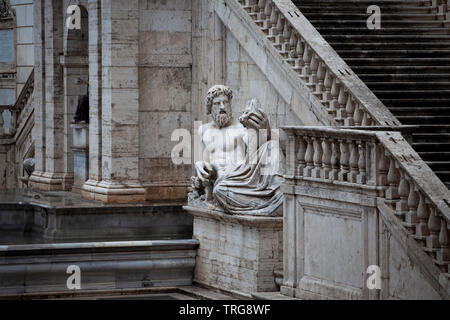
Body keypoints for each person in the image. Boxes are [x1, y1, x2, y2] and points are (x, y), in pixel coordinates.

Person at [191, 85, 284, 216]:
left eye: (225, 102)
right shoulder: (203, 130)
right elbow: (203, 164)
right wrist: (199, 164)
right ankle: (269, 205)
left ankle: (279, 194)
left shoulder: (241, 127)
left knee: (272, 146)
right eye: (217, 103)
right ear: (210, 107)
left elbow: (257, 149)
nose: (222, 107)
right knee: (220, 191)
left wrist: (265, 129)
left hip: (243, 175)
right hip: (223, 183)